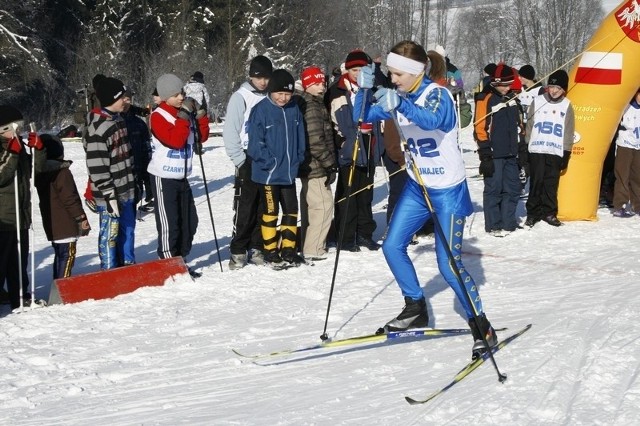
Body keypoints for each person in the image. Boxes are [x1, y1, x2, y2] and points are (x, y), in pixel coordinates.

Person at [354, 40, 497, 357]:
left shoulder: (440, 95)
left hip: (447, 190)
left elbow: (434, 121)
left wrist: (398, 104)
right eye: (389, 74)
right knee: (392, 246)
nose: (392, 80)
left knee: (449, 266)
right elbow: (360, 118)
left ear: (414, 72)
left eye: (396, 75)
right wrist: (364, 90)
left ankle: (482, 327)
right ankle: (415, 306)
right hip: (419, 187)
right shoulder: (399, 93)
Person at [148, 73, 209, 276]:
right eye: (176, 94)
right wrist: (183, 116)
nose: (181, 97)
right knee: (170, 225)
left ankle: (181, 261)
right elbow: (175, 140)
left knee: (189, 221)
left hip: (182, 176)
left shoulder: (183, 113)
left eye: (182, 92)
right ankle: (168, 265)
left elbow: (202, 137)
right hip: (163, 177)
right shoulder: (159, 116)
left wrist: (201, 116)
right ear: (165, 97)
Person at [247, 69, 306, 267]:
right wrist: (269, 162)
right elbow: (255, 144)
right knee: (271, 211)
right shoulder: (261, 110)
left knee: (291, 210)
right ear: (271, 91)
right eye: (279, 93)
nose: (283, 98)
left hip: (288, 173)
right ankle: (270, 250)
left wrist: (298, 158)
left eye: (287, 94)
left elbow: (300, 138)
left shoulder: (293, 109)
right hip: (269, 175)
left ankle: (288, 249)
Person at [329, 49, 385, 252]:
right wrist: (351, 132)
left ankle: (364, 233)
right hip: (349, 146)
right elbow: (338, 119)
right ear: (348, 69)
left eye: (361, 68)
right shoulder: (338, 89)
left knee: (366, 194)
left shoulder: (369, 88)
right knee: (348, 194)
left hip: (368, 144)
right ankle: (345, 236)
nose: (357, 72)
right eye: (354, 69)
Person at [223, 55, 273, 270]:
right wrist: (239, 160)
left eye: (266, 78)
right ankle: (238, 249)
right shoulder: (240, 97)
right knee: (246, 206)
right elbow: (230, 131)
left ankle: (257, 246)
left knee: (265, 205)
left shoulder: (271, 96)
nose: (262, 82)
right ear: (251, 76)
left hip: (267, 158)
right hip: (247, 156)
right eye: (258, 77)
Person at [84, 77, 137, 269]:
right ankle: (109, 269)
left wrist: (135, 183)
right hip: (109, 195)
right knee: (110, 235)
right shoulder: (98, 129)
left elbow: (128, 155)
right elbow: (97, 167)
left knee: (128, 230)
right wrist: (108, 196)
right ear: (111, 99)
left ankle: (128, 264)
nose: (126, 100)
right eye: (122, 97)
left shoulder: (119, 120)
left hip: (126, 189)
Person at [0, 105, 46, 309]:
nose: (19, 131)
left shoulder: (17, 146)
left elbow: (35, 171)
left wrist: (38, 151)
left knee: (19, 262)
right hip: (4, 216)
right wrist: (12, 153)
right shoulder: (6, 148)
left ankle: (20, 294)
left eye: (21, 126)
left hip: (21, 214)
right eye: (15, 127)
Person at [474, 63, 525, 236]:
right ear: (495, 83)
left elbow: (519, 125)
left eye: (508, 84)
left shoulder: (513, 99)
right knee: (494, 190)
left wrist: (521, 148)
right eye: (501, 85)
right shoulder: (486, 98)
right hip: (494, 154)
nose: (505, 88)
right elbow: (479, 127)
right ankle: (494, 224)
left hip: (511, 153)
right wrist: (485, 153)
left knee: (513, 188)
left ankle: (508, 222)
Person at [294, 66, 337, 260]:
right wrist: (329, 163)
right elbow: (315, 139)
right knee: (323, 206)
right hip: (315, 167)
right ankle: (314, 248)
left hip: (312, 165)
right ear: (307, 85)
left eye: (322, 83)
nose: (321, 87)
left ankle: (310, 244)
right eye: (316, 84)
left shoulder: (314, 102)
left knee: (313, 205)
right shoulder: (310, 106)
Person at [35, 134, 91, 279]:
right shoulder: (62, 172)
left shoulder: (41, 173)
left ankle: (57, 286)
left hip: (53, 224)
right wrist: (81, 218)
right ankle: (62, 287)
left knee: (60, 256)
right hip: (65, 224)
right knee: (67, 255)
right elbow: (69, 198)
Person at [523, 70, 575, 227]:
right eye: (551, 86)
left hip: (555, 150)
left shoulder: (567, 106)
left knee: (551, 184)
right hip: (537, 149)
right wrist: (526, 145)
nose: (554, 91)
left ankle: (549, 212)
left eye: (558, 88)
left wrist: (566, 152)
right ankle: (533, 213)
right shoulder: (538, 101)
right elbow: (530, 125)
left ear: (564, 90)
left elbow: (568, 131)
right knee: (536, 182)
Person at [122, 90, 153, 212]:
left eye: (128, 100)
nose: (125, 103)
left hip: (138, 163)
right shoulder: (114, 120)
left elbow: (146, 145)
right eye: (123, 99)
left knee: (136, 193)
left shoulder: (138, 122)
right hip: (122, 167)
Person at [611, 87, 640, 217]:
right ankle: (620, 204)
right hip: (624, 145)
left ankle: (637, 205)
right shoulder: (627, 106)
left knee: (637, 177)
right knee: (622, 174)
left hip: (638, 146)